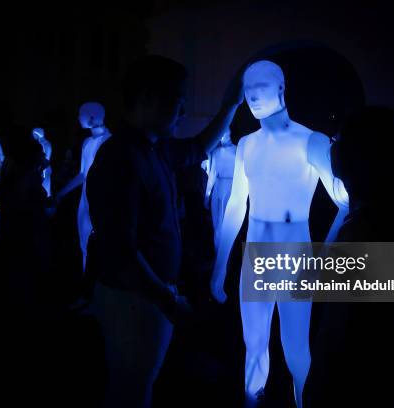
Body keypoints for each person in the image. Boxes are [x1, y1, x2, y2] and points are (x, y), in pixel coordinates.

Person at [86, 55, 243, 408]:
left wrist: (230, 105)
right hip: (134, 301)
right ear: (145, 98)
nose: (183, 110)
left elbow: (197, 147)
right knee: (131, 389)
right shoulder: (121, 158)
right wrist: (168, 300)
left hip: (148, 296)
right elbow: (121, 250)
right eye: (177, 98)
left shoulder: (153, 149)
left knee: (139, 384)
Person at [210, 60, 348, 408]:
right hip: (257, 251)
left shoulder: (310, 141)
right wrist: (219, 266)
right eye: (249, 92)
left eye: (262, 90)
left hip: (293, 251)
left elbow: (344, 200)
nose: (254, 98)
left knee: (296, 349)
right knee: (254, 344)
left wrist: (324, 254)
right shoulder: (246, 145)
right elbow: (235, 207)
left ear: (281, 89)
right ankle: (252, 402)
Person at [56, 102, 111, 271]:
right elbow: (82, 174)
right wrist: (61, 193)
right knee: (84, 241)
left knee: (99, 243)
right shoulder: (87, 142)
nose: (78, 118)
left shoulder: (109, 141)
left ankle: (95, 289)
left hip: (100, 198)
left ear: (92, 117)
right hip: (85, 198)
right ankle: (87, 288)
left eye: (81, 114)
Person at [204, 129, 236, 248]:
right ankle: (220, 257)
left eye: (225, 134)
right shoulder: (217, 152)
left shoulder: (237, 150)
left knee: (228, 225)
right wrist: (207, 196)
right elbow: (212, 175)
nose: (222, 137)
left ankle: (227, 257)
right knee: (218, 225)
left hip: (231, 188)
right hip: (220, 188)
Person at [32, 127, 53, 197]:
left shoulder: (45, 144)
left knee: (45, 189)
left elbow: (46, 159)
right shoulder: (41, 143)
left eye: (33, 134)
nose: (32, 136)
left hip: (44, 169)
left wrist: (41, 170)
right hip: (42, 168)